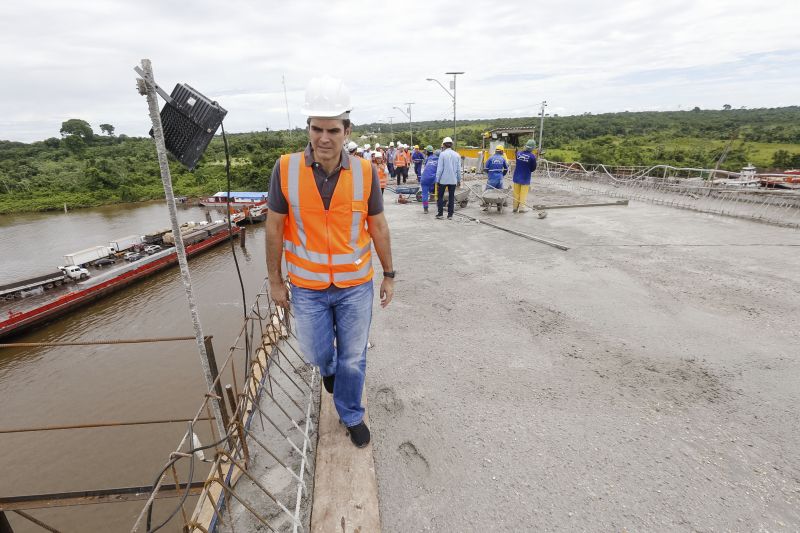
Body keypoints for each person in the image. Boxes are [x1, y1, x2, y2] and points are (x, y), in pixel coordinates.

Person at [265, 76, 395, 449]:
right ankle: (330, 371)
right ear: (308, 129)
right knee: (318, 353)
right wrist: (275, 281)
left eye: (333, 130)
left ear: (347, 131)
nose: (324, 138)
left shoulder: (365, 172)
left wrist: (389, 274)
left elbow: (379, 226)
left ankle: (351, 414)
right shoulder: (286, 169)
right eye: (317, 129)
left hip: (354, 284)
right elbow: (274, 228)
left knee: (353, 357)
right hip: (306, 287)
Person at [435, 136, 462, 220]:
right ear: (451, 145)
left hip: (443, 180)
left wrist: (437, 180)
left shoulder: (442, 154)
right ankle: (450, 215)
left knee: (440, 196)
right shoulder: (457, 155)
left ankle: (440, 214)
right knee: (451, 197)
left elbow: (440, 169)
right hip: (453, 180)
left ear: (444, 145)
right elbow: (458, 170)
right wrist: (458, 180)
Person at [512, 139, 538, 213]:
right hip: (525, 178)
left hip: (516, 177)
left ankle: (514, 207)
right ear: (532, 148)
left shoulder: (519, 154)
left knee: (516, 193)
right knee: (523, 194)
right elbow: (533, 168)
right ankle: (521, 209)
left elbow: (517, 162)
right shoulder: (532, 157)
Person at [420, 145, 438, 214]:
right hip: (433, 178)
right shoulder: (437, 158)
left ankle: (425, 209)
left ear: (427, 152)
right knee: (435, 188)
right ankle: (435, 199)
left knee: (424, 194)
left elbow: (426, 167)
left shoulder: (427, 159)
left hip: (424, 178)